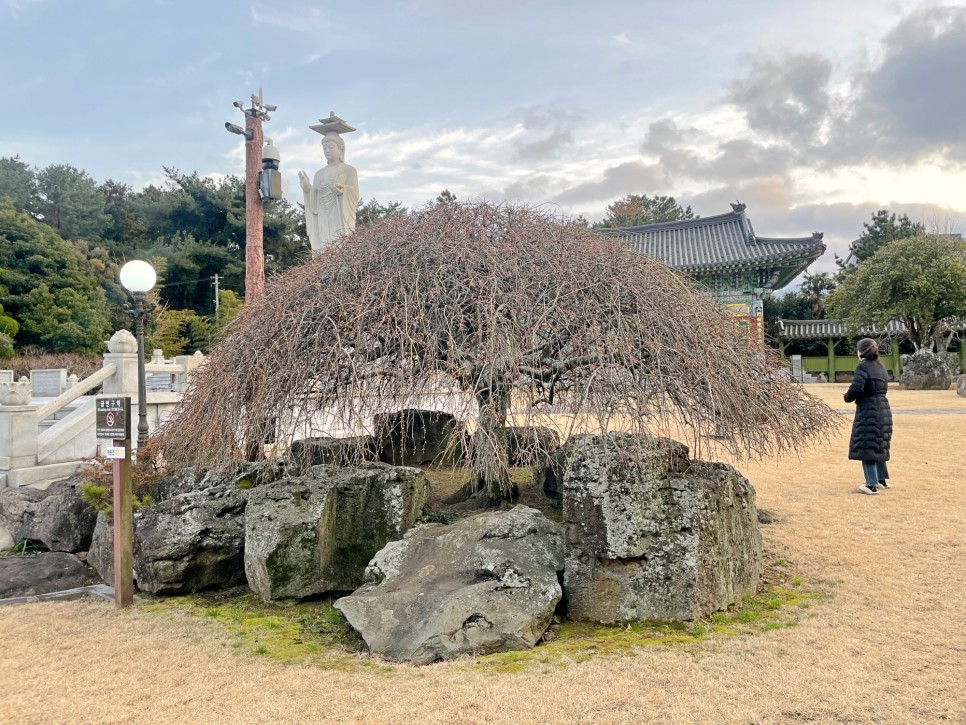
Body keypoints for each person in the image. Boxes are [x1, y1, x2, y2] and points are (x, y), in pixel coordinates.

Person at [844, 338, 893, 495]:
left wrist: (846, 397)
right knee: (878, 443)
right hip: (884, 408)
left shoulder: (863, 367)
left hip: (868, 409)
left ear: (861, 352)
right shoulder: (881, 367)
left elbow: (857, 388)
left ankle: (871, 484)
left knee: (867, 446)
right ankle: (882, 479)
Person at [299, 131, 359, 252]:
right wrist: (307, 188)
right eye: (324, 147)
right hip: (322, 212)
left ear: (341, 148)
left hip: (338, 212)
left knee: (339, 243)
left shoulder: (349, 170)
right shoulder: (319, 174)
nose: (327, 150)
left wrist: (342, 190)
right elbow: (314, 195)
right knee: (324, 245)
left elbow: (355, 193)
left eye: (331, 147)